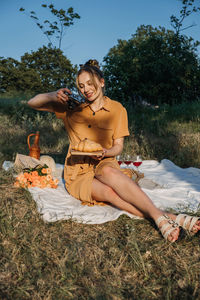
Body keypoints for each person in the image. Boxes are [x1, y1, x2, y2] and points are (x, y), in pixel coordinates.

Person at [28, 59, 200, 242]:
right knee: (109, 193)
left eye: (89, 83)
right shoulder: (72, 108)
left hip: (105, 162)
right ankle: (169, 217)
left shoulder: (117, 109)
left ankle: (160, 218)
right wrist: (53, 94)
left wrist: (104, 152)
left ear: (102, 82)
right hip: (77, 172)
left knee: (109, 171)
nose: (85, 89)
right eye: (80, 86)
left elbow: (118, 147)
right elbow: (33, 102)